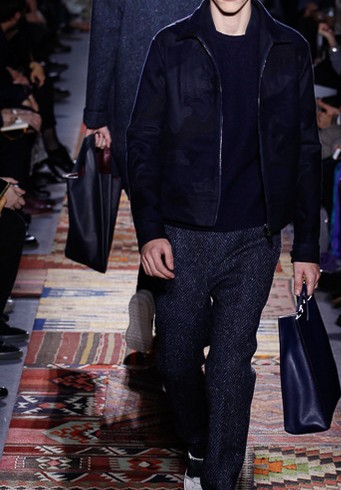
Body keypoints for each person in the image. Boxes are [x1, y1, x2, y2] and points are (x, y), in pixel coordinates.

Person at [127, 0, 322, 488]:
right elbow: (143, 140)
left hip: (255, 237)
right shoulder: (172, 44)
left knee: (231, 365)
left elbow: (306, 148)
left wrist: (307, 247)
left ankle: (220, 475)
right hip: (182, 234)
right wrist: (150, 230)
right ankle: (198, 440)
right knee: (175, 361)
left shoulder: (289, 47)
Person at [83, 0, 201, 363]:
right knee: (188, 219)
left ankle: (149, 297)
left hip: (131, 100)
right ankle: (167, 317)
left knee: (151, 212)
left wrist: (96, 114)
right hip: (194, 95)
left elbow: (105, 36)